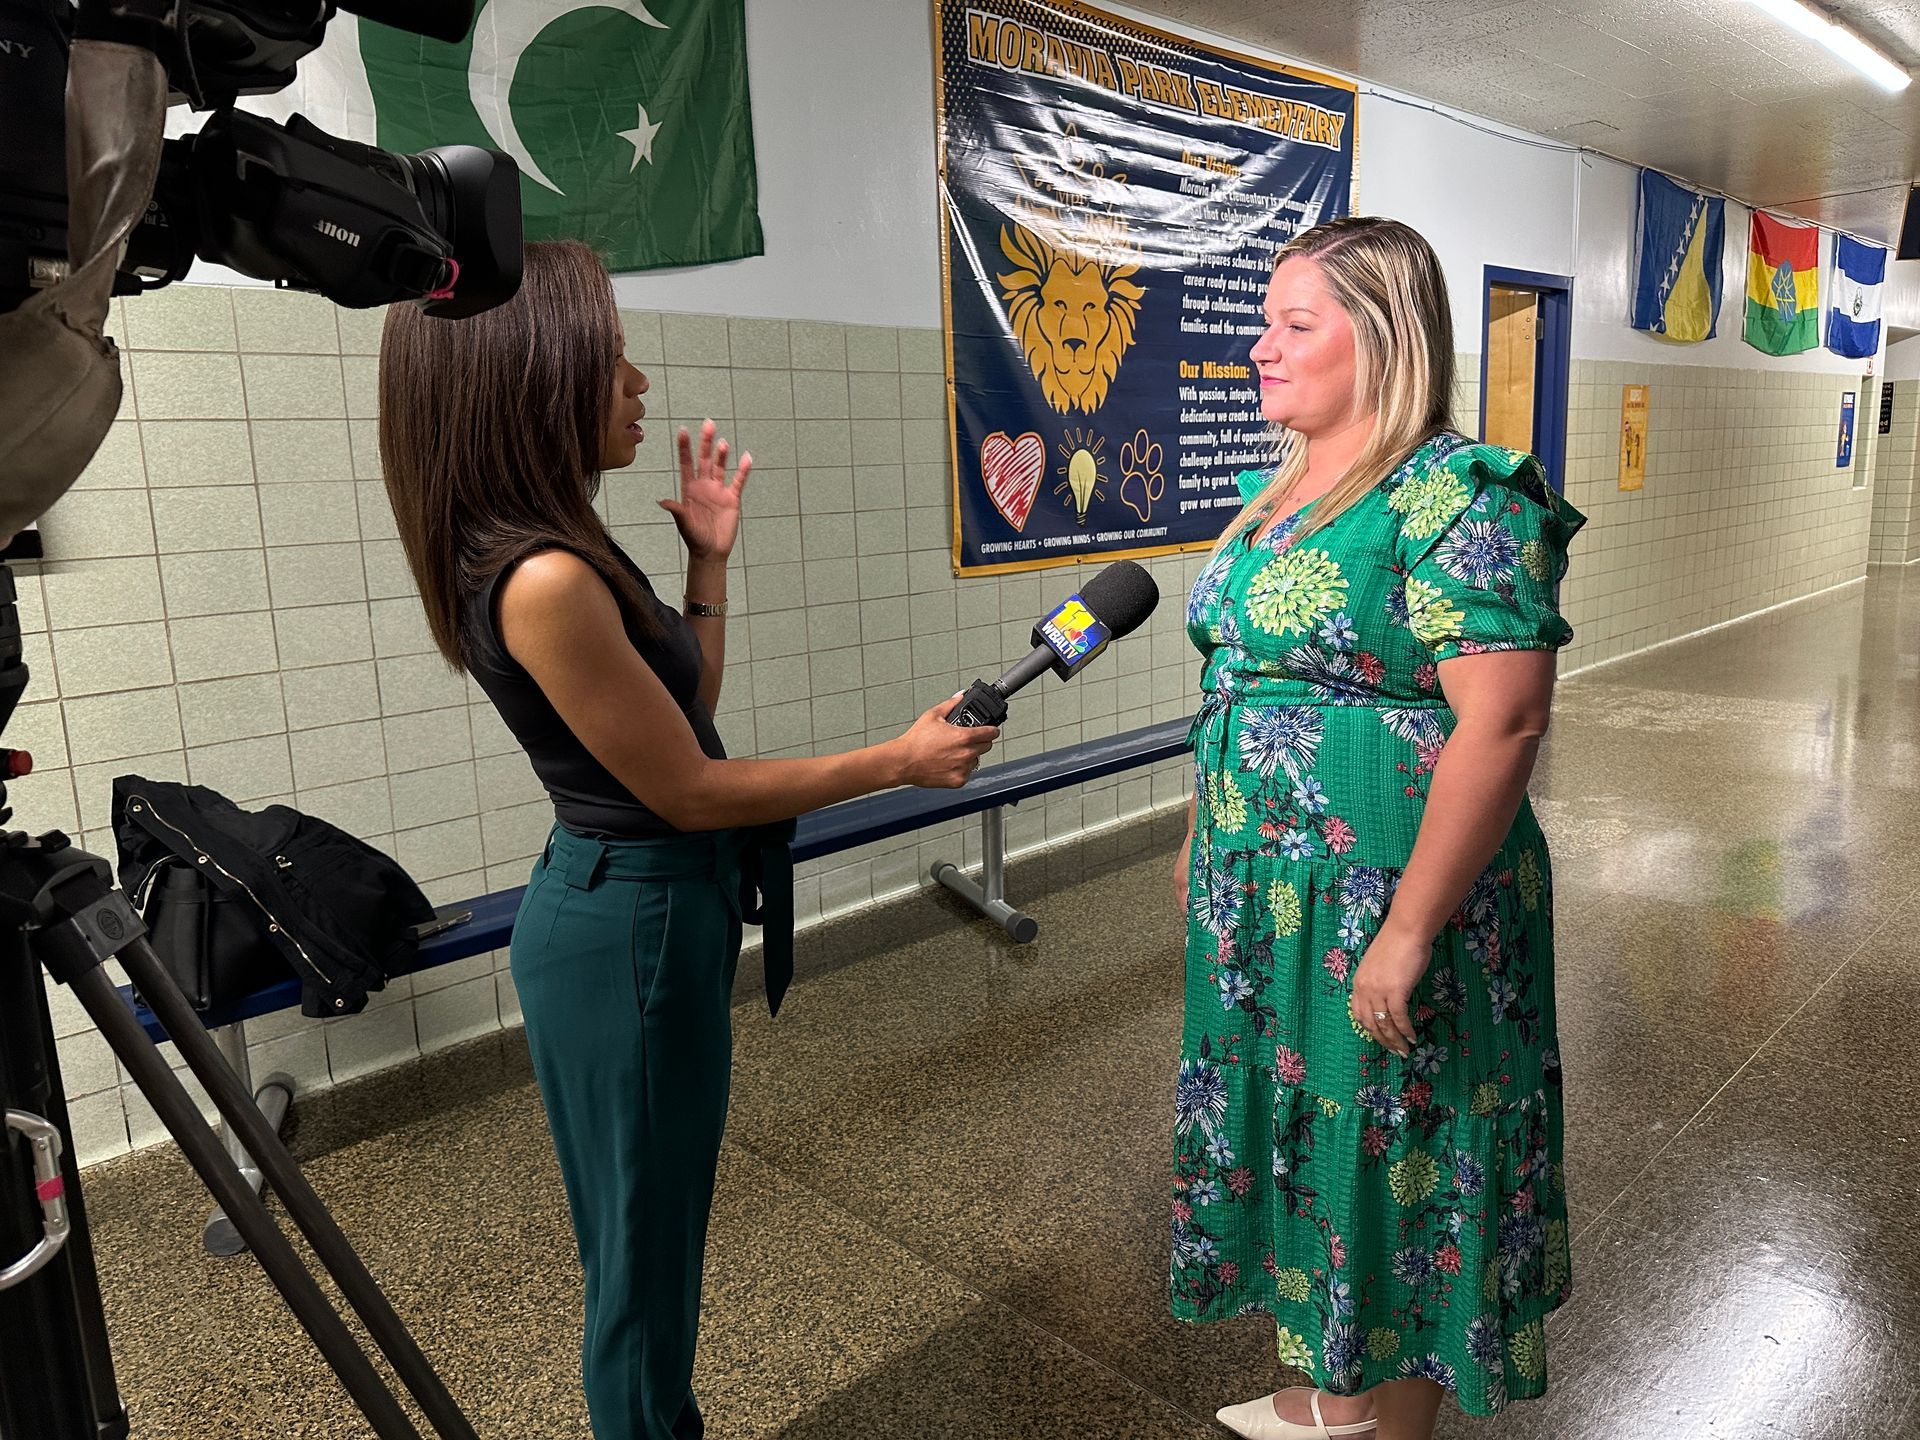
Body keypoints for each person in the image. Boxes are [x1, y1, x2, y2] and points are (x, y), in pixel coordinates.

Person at [377, 240, 998, 1440]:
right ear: (534, 377)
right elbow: (693, 789)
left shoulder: (560, 545)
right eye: (610, 357)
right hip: (632, 929)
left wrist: (707, 563)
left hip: (645, 909)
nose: (638, 381)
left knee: (646, 1238)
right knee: (640, 1276)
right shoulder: (543, 575)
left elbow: (683, 718)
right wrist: (896, 760)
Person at [1170, 216, 1585, 1440]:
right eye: (1266, 322)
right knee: (1298, 1140)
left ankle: (1375, 1423)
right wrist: (1206, 845)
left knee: (1389, 1158)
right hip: (1264, 898)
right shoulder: (1281, 495)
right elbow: (1239, 689)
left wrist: (1406, 932)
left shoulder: (1456, 497)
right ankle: (1317, 1397)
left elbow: (1503, 722)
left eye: (1296, 325)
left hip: (1394, 898)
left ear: (1387, 339)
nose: (1261, 348)